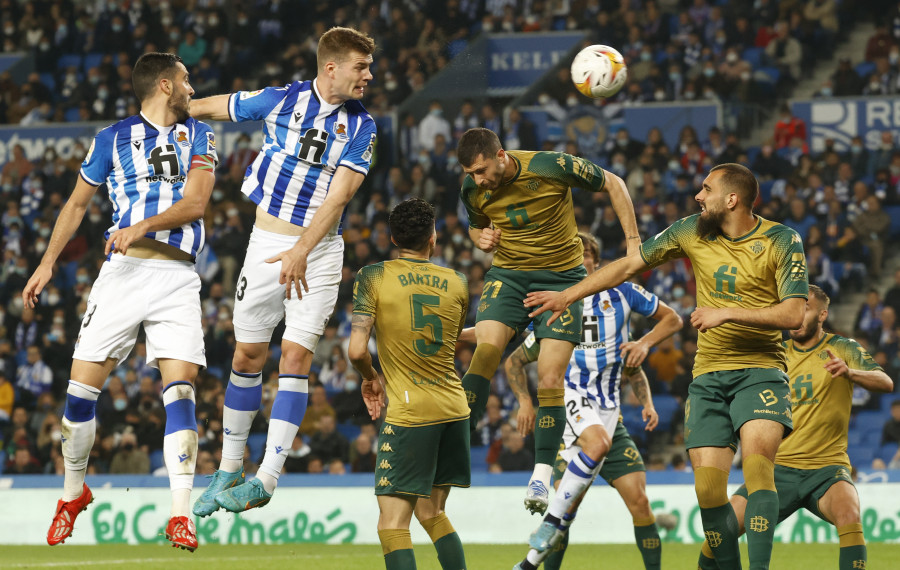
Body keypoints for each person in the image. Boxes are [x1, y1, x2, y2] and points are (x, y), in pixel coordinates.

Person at [526, 163, 808, 570]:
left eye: (706, 189)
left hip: (760, 368)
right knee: (709, 492)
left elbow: (794, 313)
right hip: (708, 377)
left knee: (759, 472)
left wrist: (726, 312)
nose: (698, 195)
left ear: (732, 199)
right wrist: (567, 296)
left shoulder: (782, 239)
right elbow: (627, 266)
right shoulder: (691, 230)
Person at [23, 52, 218, 551]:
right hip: (123, 275)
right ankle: (72, 494)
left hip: (176, 275)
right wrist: (46, 263)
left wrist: (142, 227)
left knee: (181, 392)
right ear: (165, 85)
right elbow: (76, 204)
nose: (193, 89)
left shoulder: (198, 134)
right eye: (187, 81)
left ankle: (180, 515)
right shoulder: (111, 138)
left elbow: (196, 203)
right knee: (77, 400)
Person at [188, 26, 377, 515]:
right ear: (331, 67)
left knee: (295, 356)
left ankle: (266, 479)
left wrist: (302, 250)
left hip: (317, 252)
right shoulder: (281, 100)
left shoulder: (362, 127)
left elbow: (339, 199)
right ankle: (229, 468)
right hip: (265, 244)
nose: (368, 76)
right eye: (360, 67)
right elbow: (219, 105)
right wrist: (167, 111)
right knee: (248, 355)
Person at [456, 127, 641, 515]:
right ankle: (454, 445)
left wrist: (633, 243)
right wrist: (479, 238)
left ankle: (541, 474)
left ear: (502, 155)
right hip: (508, 275)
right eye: (472, 173)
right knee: (486, 351)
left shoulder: (550, 166)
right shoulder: (473, 190)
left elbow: (614, 182)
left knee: (551, 376)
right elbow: (476, 224)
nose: (479, 180)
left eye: (483, 170)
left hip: (562, 277)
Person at [503, 232, 682, 570]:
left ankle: (527, 564)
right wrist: (525, 402)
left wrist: (644, 352)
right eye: (573, 254)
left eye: (586, 254)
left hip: (609, 413)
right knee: (566, 504)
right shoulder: (556, 303)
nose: (581, 260)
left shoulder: (624, 293)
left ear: (596, 262)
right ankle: (549, 531)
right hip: (571, 406)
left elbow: (667, 325)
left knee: (640, 502)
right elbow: (514, 358)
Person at [697, 285, 892, 570]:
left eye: (806, 309)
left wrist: (850, 373)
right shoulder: (774, 353)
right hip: (776, 470)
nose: (796, 317)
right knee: (720, 533)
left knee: (850, 514)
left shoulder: (842, 348)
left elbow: (885, 383)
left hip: (827, 468)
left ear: (822, 314)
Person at [348, 198, 469, 570]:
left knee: (392, 524)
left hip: (409, 411)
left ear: (392, 237)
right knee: (433, 512)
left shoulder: (373, 276)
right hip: (454, 407)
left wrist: (371, 378)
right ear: (433, 238)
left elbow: (356, 351)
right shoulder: (458, 282)